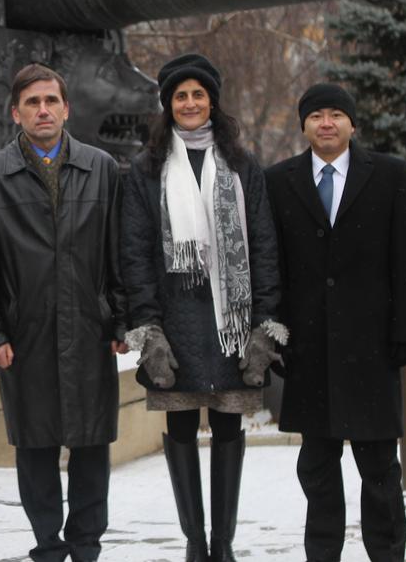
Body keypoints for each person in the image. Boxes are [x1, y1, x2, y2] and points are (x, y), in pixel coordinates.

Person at [121, 53, 285, 562]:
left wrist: (265, 325)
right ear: (168, 105)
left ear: (212, 100)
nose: (190, 103)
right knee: (181, 427)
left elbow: (263, 245)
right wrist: (148, 331)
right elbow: (134, 252)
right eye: (179, 95)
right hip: (176, 322)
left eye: (198, 94)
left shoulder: (241, 165)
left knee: (231, 426)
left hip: (230, 324)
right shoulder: (146, 171)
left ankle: (223, 544)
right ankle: (195, 542)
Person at [0, 64, 128, 562]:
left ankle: (86, 545)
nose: (43, 111)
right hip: (25, 330)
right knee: (35, 446)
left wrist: (120, 318)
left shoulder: (102, 168)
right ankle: (48, 546)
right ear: (16, 113)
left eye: (51, 101)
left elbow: (118, 250)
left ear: (66, 108)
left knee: (91, 444)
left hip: (88, 327)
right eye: (32, 103)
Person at [264, 83, 406, 562]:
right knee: (316, 465)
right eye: (316, 115)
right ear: (304, 126)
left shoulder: (391, 175)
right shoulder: (280, 181)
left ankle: (387, 552)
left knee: (379, 466)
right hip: (308, 350)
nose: (327, 123)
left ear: (353, 124)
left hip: (372, 346)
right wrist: (275, 335)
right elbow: (270, 265)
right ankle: (322, 553)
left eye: (337, 114)